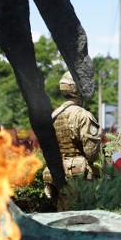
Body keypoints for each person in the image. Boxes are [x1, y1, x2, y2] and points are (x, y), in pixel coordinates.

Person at [42, 71, 102, 211]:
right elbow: (91, 152)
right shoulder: (83, 115)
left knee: (63, 216)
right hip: (79, 176)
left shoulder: (54, 115)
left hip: (57, 173)